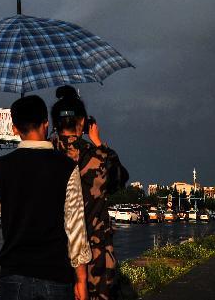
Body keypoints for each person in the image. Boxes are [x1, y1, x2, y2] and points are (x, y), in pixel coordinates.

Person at [0, 95, 92, 300]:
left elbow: (0, 207)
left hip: (13, 276)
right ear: (46, 124)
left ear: (15, 128)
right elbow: (75, 226)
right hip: (56, 275)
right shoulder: (66, 167)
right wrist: (81, 279)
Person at [51, 86, 129, 300]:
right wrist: (98, 142)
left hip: (55, 253)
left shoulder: (45, 155)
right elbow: (120, 178)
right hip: (96, 257)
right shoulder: (99, 157)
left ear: (54, 123)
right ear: (84, 122)